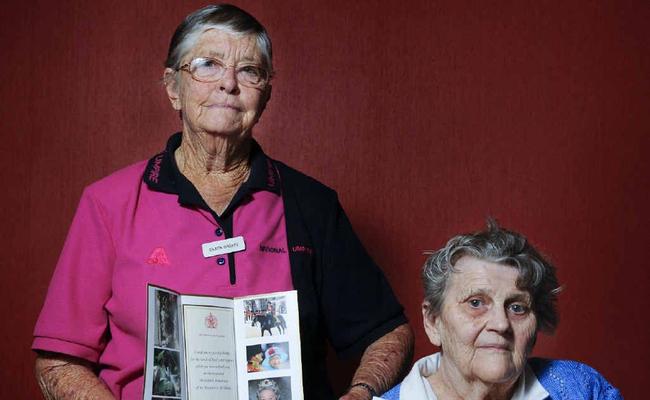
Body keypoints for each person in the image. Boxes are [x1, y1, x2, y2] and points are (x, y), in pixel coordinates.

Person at [32, 4, 413, 400]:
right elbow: (58, 359)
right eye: (207, 65)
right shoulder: (108, 204)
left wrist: (362, 392)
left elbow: (388, 332)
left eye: (249, 71)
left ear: (265, 94)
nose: (228, 84)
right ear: (173, 87)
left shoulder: (312, 205)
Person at [382, 221, 622, 399]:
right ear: (433, 322)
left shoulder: (583, 389)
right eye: (476, 303)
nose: (501, 323)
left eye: (517, 307)